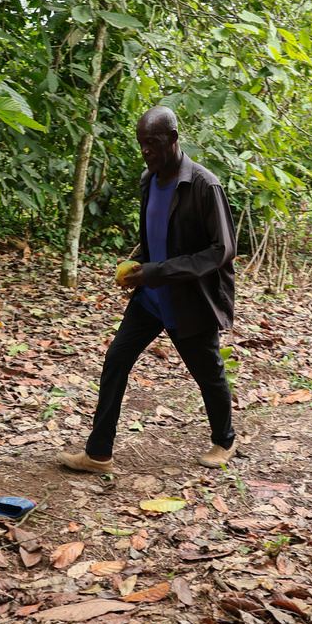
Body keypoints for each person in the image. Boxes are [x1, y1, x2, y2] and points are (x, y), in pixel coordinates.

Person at [58, 106, 238, 472]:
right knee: (116, 360)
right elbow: (155, 236)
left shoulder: (204, 185)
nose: (145, 151)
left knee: (209, 373)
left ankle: (224, 441)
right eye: (141, 143)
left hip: (189, 299)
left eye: (152, 143)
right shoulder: (148, 179)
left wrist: (158, 271)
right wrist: (139, 263)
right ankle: (98, 453)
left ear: (173, 139)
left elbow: (222, 250)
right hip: (151, 298)